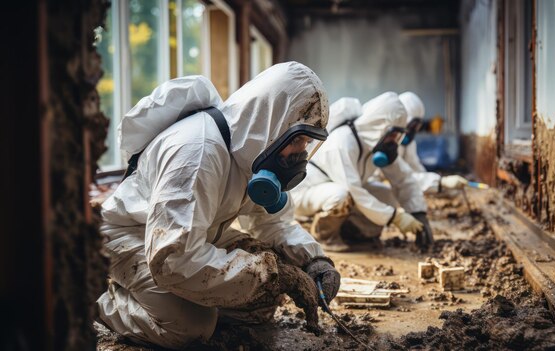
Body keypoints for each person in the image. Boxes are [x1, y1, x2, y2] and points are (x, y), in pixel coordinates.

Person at [96, 62, 340, 349]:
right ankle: (97, 299)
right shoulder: (198, 153)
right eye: (297, 140)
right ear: (271, 120)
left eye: (307, 142)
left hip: (192, 234)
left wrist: (314, 260)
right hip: (134, 235)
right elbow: (173, 260)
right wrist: (272, 276)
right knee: (189, 327)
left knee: (261, 300)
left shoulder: (251, 152)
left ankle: (192, 306)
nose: (300, 154)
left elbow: (272, 222)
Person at [291, 92, 428, 252]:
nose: (394, 142)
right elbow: (354, 191)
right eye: (393, 135)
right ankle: (325, 235)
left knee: (387, 196)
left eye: (398, 136)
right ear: (380, 126)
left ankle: (353, 234)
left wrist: (418, 212)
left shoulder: (375, 143)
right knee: (341, 195)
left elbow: (403, 179)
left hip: (334, 189)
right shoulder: (342, 143)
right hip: (305, 193)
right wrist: (395, 217)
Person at [398, 91, 469, 193]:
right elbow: (399, 177)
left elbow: (416, 170)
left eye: (416, 126)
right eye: (412, 126)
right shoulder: (386, 143)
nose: (413, 131)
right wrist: (441, 182)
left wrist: (440, 187)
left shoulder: (409, 144)